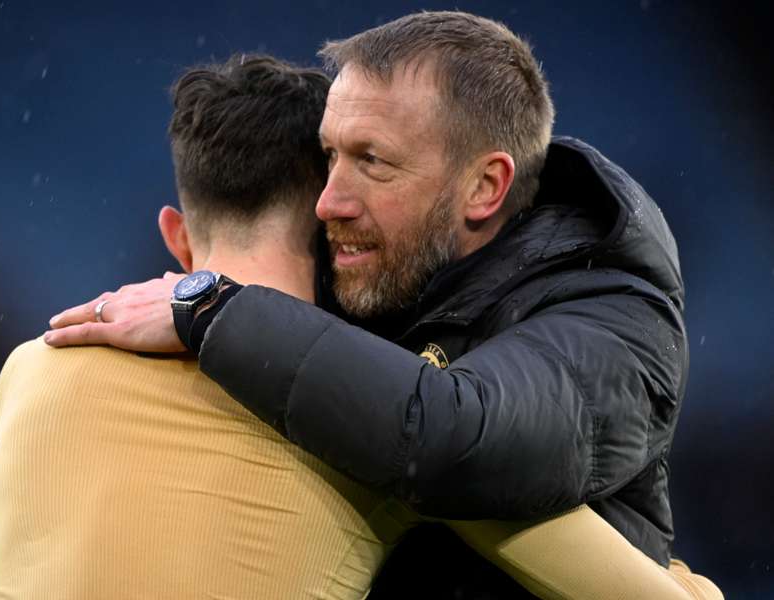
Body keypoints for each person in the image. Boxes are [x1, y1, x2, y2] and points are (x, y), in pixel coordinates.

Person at [43, 14, 718, 595]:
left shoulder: (612, 317)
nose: (328, 201)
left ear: (485, 187)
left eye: (372, 161)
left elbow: (453, 446)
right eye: (331, 155)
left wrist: (211, 309)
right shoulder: (387, 272)